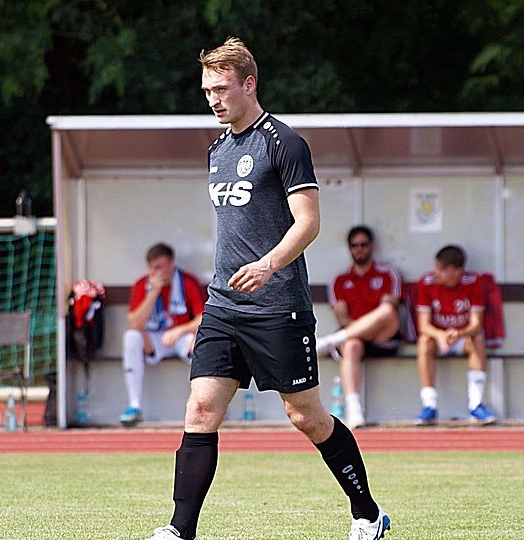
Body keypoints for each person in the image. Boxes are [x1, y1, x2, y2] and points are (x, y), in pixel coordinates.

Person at [146, 37, 390, 540]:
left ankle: (368, 513)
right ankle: (179, 530)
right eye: (207, 90)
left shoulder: (284, 143)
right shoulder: (217, 149)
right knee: (201, 410)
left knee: (305, 416)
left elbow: (309, 221)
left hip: (278, 306)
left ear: (249, 84)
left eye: (221, 89)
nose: (213, 99)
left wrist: (269, 264)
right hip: (223, 306)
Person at [316, 225, 403, 429]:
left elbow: (388, 312)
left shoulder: (389, 273)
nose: (359, 249)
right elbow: (342, 317)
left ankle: (329, 342)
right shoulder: (339, 280)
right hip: (354, 339)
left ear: (372, 246)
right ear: (349, 248)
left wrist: (366, 329)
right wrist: (361, 331)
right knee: (351, 345)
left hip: (384, 336)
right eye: (354, 245)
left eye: (363, 244)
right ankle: (354, 411)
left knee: (387, 311)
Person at [119, 243, 205, 427]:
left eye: (159, 267)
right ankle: (134, 406)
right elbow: (135, 323)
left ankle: (203, 405)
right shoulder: (143, 284)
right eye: (152, 268)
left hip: (181, 337)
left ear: (171, 265)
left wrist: (179, 330)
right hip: (155, 339)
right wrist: (153, 293)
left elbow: (203, 318)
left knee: (202, 341)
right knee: (131, 337)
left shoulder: (187, 281)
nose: (155, 272)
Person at [414, 245, 497, 426]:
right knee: (424, 342)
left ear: (457, 271)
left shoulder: (473, 282)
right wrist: (440, 335)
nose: (437, 273)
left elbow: (476, 324)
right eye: (437, 267)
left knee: (478, 339)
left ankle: (476, 405)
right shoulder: (427, 282)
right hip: (438, 338)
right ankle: (429, 405)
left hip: (461, 337)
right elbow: (423, 325)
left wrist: (458, 333)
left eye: (443, 269)